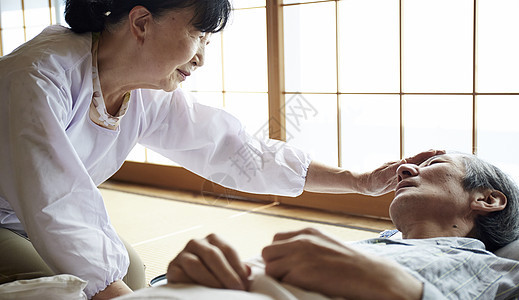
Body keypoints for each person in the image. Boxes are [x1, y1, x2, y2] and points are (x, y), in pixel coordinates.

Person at [0, 0, 442, 299]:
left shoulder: (147, 92)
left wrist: (359, 182)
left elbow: (236, 152)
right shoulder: (37, 76)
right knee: (85, 286)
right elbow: (55, 198)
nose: (202, 58)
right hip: (9, 215)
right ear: (140, 23)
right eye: (199, 36)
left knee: (129, 273)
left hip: (28, 217)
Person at [163, 153, 519, 299]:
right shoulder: (367, 248)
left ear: (488, 200)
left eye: (435, 163)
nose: (405, 169)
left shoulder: (493, 267)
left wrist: (391, 285)